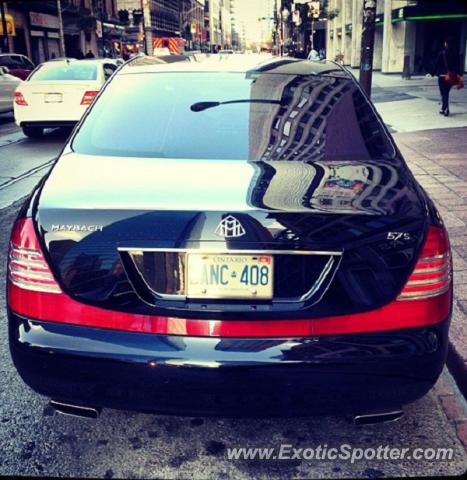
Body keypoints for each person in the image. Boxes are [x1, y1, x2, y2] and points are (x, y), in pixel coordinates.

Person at [432, 38, 460, 117]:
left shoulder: (442, 53)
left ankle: (445, 108)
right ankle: (444, 108)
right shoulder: (455, 54)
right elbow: (457, 65)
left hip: (442, 76)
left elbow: (437, 64)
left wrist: (433, 73)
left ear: (446, 44)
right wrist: (458, 75)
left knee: (443, 93)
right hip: (451, 76)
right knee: (446, 93)